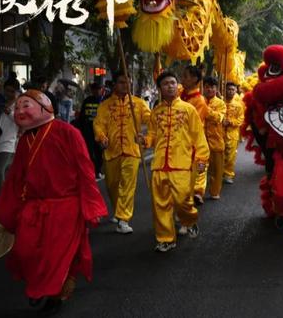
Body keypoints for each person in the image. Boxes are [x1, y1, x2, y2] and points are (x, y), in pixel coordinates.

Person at [0, 89, 108, 314]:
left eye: (26, 106)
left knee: (56, 256)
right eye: (18, 107)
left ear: (45, 107)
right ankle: (43, 286)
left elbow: (85, 170)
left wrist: (91, 206)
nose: (20, 111)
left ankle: (51, 292)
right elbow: (16, 179)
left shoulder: (68, 133)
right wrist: (6, 212)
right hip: (33, 208)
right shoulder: (26, 139)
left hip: (65, 207)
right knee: (25, 251)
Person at [142, 71, 209, 252]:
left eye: (173, 82)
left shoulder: (189, 109)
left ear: (177, 85)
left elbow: (198, 137)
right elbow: (153, 135)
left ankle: (189, 220)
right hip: (159, 165)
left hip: (181, 164)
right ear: (160, 89)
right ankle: (166, 238)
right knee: (160, 204)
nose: (170, 86)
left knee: (182, 200)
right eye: (165, 84)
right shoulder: (156, 111)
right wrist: (145, 141)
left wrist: (202, 158)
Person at [93, 72, 151, 234]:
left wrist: (147, 136)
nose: (125, 86)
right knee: (112, 185)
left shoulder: (138, 103)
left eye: (128, 83)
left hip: (131, 150)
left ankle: (123, 218)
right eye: (121, 82)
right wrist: (101, 137)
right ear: (114, 85)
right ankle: (118, 210)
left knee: (128, 185)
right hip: (112, 151)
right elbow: (99, 124)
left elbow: (150, 119)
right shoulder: (105, 105)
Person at [180, 65, 209, 205]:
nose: (182, 79)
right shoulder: (180, 93)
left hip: (192, 142)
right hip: (178, 141)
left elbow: (191, 124)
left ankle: (196, 193)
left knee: (196, 168)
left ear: (194, 79)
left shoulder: (200, 101)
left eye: (185, 76)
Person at [75, 82, 106, 178]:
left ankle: (98, 170)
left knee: (99, 152)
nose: (97, 91)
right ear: (92, 90)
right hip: (88, 131)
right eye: (95, 89)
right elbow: (82, 116)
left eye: (99, 89)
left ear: (102, 90)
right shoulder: (87, 101)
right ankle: (91, 171)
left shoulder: (104, 102)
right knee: (89, 152)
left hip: (100, 132)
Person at [0, 79, 20, 190]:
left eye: (11, 91)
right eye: (6, 91)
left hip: (10, 139)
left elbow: (20, 120)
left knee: (0, 169)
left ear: (16, 91)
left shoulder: (19, 104)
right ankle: (8, 195)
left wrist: (9, 112)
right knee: (7, 170)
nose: (8, 94)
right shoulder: (1, 102)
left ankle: (2, 196)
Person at [202, 76, 226, 199]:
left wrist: (205, 110)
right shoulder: (199, 101)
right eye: (207, 87)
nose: (209, 89)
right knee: (200, 169)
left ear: (216, 89)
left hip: (216, 141)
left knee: (217, 170)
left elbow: (218, 118)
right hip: (200, 142)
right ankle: (198, 192)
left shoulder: (221, 103)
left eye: (212, 87)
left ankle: (215, 192)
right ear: (203, 88)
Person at [222, 81, 244, 184]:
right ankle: (219, 172)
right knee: (220, 154)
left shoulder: (238, 106)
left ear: (235, 91)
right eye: (229, 89)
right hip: (220, 133)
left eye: (233, 90)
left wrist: (231, 122)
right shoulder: (221, 102)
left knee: (230, 156)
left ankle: (228, 174)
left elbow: (241, 119)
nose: (230, 92)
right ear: (225, 90)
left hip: (232, 134)